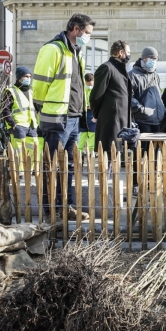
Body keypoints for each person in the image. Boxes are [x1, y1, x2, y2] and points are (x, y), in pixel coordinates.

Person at [32, 13, 95, 221]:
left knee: (68, 165)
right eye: (87, 33)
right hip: (57, 117)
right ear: (75, 29)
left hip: (74, 117)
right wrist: (42, 108)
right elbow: (40, 84)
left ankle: (65, 207)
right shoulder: (53, 49)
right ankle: (50, 210)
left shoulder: (76, 52)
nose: (88, 37)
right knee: (51, 164)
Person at [90, 40, 132, 159]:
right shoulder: (107, 68)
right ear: (120, 52)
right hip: (111, 122)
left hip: (121, 122)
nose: (129, 55)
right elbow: (96, 95)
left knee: (116, 159)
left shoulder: (121, 69)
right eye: (128, 52)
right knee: (109, 156)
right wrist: (96, 114)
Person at [1, 66, 38, 172]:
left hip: (31, 125)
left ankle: (30, 170)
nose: (28, 79)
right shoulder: (11, 91)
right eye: (26, 76)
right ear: (19, 78)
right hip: (18, 125)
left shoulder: (31, 91)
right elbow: (5, 109)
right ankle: (20, 172)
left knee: (32, 148)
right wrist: (12, 124)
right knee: (19, 149)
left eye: (30, 76)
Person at [130, 46, 165, 154]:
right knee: (142, 152)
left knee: (155, 153)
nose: (154, 61)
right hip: (143, 121)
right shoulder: (133, 75)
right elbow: (128, 98)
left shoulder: (155, 75)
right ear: (144, 58)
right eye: (152, 58)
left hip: (157, 121)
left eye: (156, 58)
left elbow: (158, 94)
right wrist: (142, 109)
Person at [78, 73, 96, 154]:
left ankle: (91, 151)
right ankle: (80, 151)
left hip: (92, 114)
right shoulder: (82, 89)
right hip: (84, 113)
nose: (89, 85)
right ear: (85, 81)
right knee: (83, 134)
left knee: (92, 133)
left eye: (91, 84)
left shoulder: (95, 89)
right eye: (88, 84)